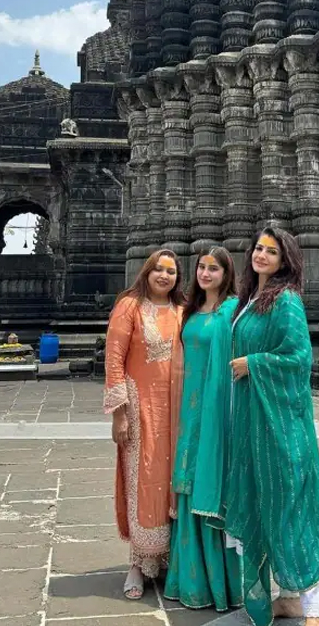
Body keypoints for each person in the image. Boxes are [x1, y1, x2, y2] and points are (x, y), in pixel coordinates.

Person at [226, 226, 319, 626]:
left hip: (280, 426)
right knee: (265, 506)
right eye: (258, 248)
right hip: (252, 422)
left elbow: (298, 358)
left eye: (271, 251)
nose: (261, 255)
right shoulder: (250, 299)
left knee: (293, 509)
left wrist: (252, 364)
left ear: (284, 261)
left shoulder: (286, 300)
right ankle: (287, 598)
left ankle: (314, 609)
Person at [165, 247, 244, 612]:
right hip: (187, 409)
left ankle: (221, 584)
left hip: (217, 412)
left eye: (214, 268)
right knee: (187, 482)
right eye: (201, 267)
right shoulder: (189, 312)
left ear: (227, 274)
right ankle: (189, 580)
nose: (206, 273)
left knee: (210, 482)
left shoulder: (233, 311)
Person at [103, 249, 185, 600]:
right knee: (142, 481)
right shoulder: (129, 306)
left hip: (177, 411)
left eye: (172, 272)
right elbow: (114, 359)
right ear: (147, 272)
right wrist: (120, 412)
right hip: (140, 409)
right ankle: (137, 563)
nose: (165, 276)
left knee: (171, 482)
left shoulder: (182, 311)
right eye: (159, 270)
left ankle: (167, 559)